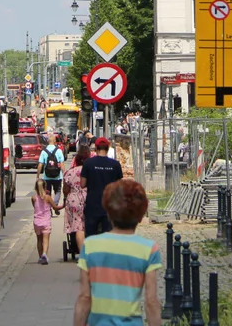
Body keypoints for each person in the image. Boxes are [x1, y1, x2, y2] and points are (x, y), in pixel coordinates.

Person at [73, 179, 162, 326]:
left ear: (108, 213)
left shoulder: (90, 246)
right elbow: (151, 301)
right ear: (140, 216)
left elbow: (84, 297)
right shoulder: (148, 249)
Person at [81, 137, 123, 236]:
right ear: (108, 148)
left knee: (90, 237)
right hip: (110, 206)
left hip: (92, 205)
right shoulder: (115, 164)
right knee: (108, 237)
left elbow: (82, 184)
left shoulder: (88, 163)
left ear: (96, 148)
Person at [64, 146, 91, 260]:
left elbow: (65, 190)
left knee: (78, 227)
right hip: (89, 198)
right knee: (89, 225)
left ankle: (81, 253)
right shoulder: (90, 170)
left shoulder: (70, 172)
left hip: (74, 199)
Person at [32, 179, 62, 265]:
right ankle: (44, 255)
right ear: (45, 187)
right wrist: (64, 205)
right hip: (46, 221)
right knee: (46, 240)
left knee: (39, 240)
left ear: (35, 188)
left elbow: (35, 208)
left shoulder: (33, 198)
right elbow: (55, 208)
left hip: (37, 221)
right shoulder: (48, 198)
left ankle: (40, 257)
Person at [38, 134, 66, 204]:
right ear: (55, 141)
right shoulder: (59, 151)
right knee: (58, 191)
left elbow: (40, 164)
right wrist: (64, 174)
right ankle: (55, 203)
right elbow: (62, 164)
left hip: (47, 176)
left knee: (47, 192)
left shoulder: (44, 151)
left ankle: (49, 208)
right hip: (57, 176)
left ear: (48, 141)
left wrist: (37, 176)